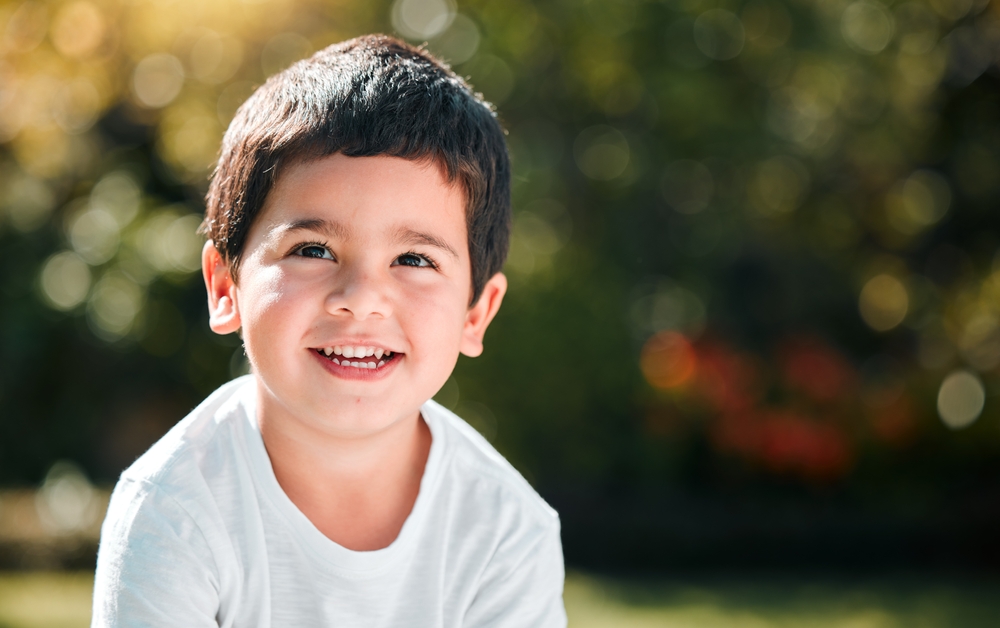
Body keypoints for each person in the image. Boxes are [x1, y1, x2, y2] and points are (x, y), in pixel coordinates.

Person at [92, 34, 566, 626]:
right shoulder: (174, 513)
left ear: (476, 314)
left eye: (414, 259)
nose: (361, 298)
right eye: (313, 249)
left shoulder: (506, 532)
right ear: (224, 286)